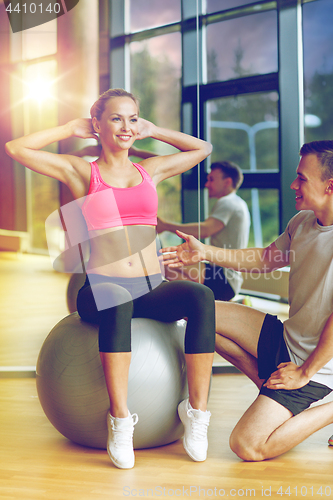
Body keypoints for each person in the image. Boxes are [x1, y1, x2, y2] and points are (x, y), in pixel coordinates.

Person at [5, 88, 216, 469]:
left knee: (200, 297)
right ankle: (120, 420)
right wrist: (69, 127)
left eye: (132, 118)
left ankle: (197, 414)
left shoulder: (148, 170)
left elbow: (202, 149)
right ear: (97, 124)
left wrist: (153, 130)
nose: (126, 126)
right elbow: (16, 148)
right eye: (116, 118)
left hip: (152, 287)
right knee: (116, 297)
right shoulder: (83, 170)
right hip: (101, 290)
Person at [161, 140, 333, 461]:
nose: (293, 184)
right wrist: (204, 251)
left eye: (301, 178)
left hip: (321, 365)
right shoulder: (302, 222)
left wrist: (306, 372)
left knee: (247, 445)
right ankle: (271, 388)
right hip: (287, 338)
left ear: (330, 185)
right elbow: (266, 259)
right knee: (199, 313)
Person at [157, 161, 250, 301]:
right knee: (168, 265)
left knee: (162, 263)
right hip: (227, 278)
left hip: (222, 277)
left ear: (227, 182)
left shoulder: (228, 202)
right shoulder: (238, 203)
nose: (207, 185)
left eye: (211, 180)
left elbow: (206, 230)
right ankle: (200, 305)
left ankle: (195, 306)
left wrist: (165, 226)